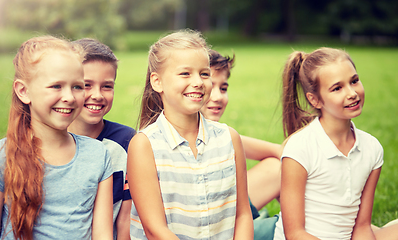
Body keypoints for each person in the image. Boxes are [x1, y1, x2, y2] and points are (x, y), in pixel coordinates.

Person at [127, 29, 253, 240]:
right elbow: (154, 229)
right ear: (157, 82)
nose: (198, 82)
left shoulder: (229, 138)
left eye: (204, 74)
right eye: (185, 73)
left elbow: (242, 215)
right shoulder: (144, 145)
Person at [274, 47, 398, 239]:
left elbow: (362, 227)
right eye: (337, 88)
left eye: (354, 81)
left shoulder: (372, 149)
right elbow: (295, 234)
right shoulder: (299, 148)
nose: (352, 93)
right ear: (315, 100)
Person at [0, 36, 113, 239]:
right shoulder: (2, 156)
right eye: (56, 86)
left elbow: (102, 234)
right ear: (24, 91)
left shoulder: (98, 155)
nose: (69, 97)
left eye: (77, 86)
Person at [200, 49, 281, 240]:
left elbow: (279, 151)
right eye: (210, 87)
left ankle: (295, 221)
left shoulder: (222, 135)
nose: (218, 97)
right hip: (213, 226)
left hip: (228, 212)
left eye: (223, 88)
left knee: (279, 166)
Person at [68, 38, 136, 240]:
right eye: (86, 85)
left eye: (107, 86)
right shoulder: (49, 141)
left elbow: (126, 221)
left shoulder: (127, 141)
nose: (97, 95)